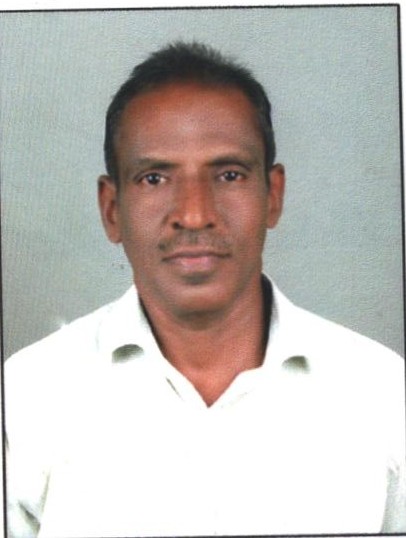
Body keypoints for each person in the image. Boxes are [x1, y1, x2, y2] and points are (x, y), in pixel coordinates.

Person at [5, 42, 405, 538]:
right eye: (154, 178)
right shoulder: (25, 397)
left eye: (229, 175)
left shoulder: (383, 393)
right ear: (111, 209)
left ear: (273, 195)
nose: (194, 215)